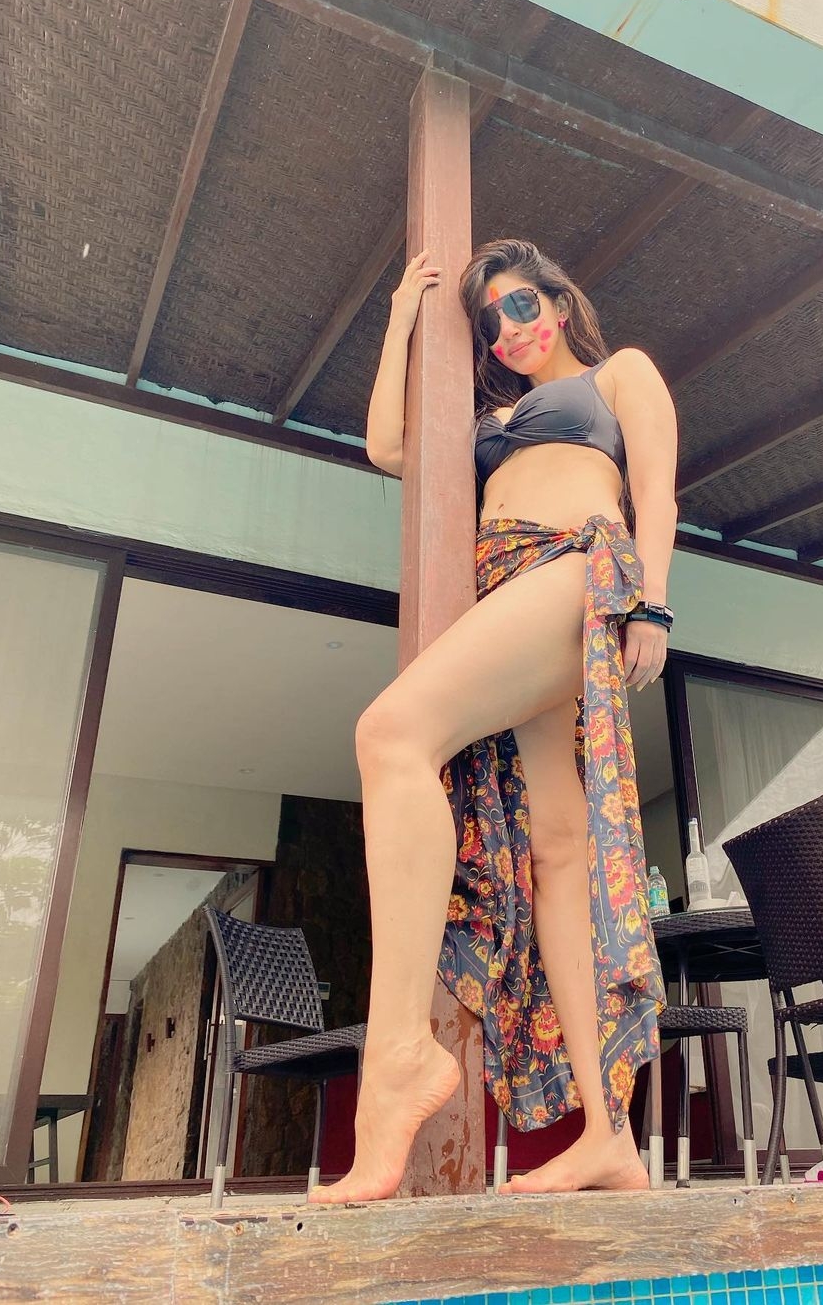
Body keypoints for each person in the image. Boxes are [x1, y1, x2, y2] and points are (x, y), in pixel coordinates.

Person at [308, 238, 678, 1202]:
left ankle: (397, 1053)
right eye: (491, 323)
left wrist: (653, 605)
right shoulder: (487, 422)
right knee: (555, 847)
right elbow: (388, 447)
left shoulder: (618, 375)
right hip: (510, 597)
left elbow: (658, 491)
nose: (510, 331)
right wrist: (400, 315)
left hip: (575, 568)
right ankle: (610, 1136)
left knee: (392, 735)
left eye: (521, 306)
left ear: (558, 300)